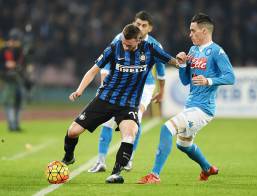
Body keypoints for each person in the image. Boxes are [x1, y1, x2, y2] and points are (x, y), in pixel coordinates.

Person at [61, 24, 179, 184]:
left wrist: (184, 61)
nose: (124, 46)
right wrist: (80, 90)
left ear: (138, 41)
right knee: (73, 131)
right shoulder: (114, 48)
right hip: (105, 99)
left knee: (130, 134)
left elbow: (173, 61)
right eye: (124, 42)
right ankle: (69, 157)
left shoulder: (150, 49)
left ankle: (116, 173)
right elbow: (93, 70)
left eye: (128, 45)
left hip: (128, 104)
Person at [138, 13, 235, 184]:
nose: (190, 34)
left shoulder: (216, 51)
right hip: (191, 105)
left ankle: (154, 175)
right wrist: (182, 63)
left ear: (204, 31)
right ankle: (207, 168)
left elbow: (230, 77)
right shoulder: (193, 50)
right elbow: (184, 81)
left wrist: (209, 81)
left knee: (166, 128)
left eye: (193, 30)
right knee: (183, 145)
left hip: (203, 109)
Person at [88, 11, 166, 173]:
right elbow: (108, 63)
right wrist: (104, 86)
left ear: (150, 28)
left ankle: (128, 159)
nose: (140, 27)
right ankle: (101, 160)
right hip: (119, 85)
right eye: (138, 24)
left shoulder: (154, 46)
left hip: (144, 87)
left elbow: (160, 71)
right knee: (107, 120)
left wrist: (162, 91)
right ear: (134, 23)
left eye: (144, 25)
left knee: (134, 120)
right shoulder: (120, 39)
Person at [0, 29, 25, 131]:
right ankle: (12, 125)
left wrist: (18, 66)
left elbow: (23, 63)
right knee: (9, 102)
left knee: (19, 102)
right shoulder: (3, 50)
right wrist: (6, 65)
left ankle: (16, 124)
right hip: (7, 79)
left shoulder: (20, 50)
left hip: (18, 79)